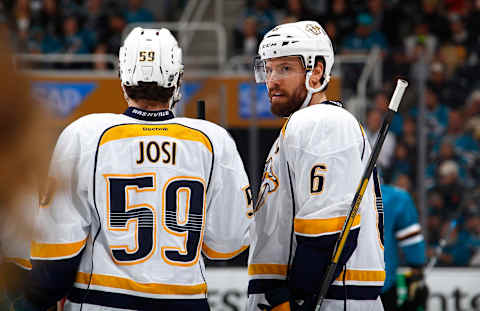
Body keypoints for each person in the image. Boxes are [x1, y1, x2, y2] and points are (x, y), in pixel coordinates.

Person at [15, 27, 252, 311]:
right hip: (185, 303)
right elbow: (227, 244)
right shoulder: (212, 140)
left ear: (123, 78)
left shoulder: (85, 134)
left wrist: (37, 297)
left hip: (102, 301)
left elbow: (59, 250)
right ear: (176, 77)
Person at [248, 21, 385, 311]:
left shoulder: (321, 122)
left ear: (317, 71)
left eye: (285, 68)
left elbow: (328, 231)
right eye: (269, 69)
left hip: (328, 301)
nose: (272, 79)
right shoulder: (303, 125)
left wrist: (295, 297)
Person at [380, 184, 427, 311]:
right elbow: (412, 242)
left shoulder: (333, 195)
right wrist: (416, 273)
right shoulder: (395, 197)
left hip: (337, 284)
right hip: (382, 283)